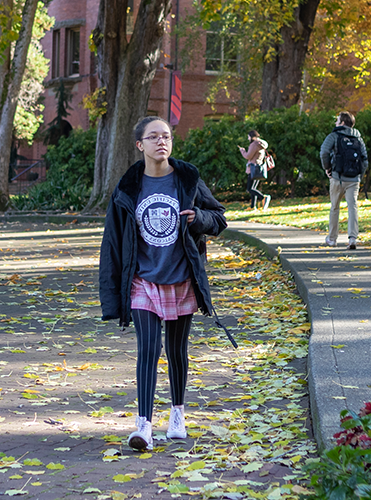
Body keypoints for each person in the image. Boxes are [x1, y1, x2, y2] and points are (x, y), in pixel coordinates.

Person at [99, 116, 226, 451]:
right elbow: (112, 243)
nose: (161, 142)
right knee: (148, 349)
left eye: (166, 136)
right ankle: (143, 426)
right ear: (140, 145)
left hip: (181, 278)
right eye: (153, 137)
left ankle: (177, 414)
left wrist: (199, 219)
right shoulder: (127, 187)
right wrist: (112, 299)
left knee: (176, 351)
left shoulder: (187, 180)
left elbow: (219, 219)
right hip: (143, 281)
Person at [318, 111, 368, 249]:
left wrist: (327, 168)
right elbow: (364, 159)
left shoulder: (334, 136)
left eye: (337, 120)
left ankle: (332, 239)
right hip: (354, 179)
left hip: (337, 177)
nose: (335, 123)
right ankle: (352, 238)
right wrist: (359, 175)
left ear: (342, 123)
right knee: (352, 207)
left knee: (335, 207)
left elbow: (323, 152)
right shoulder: (358, 138)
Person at [238, 130, 270, 209]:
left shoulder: (254, 145)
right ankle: (253, 206)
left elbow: (248, 156)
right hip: (258, 168)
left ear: (252, 137)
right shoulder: (261, 144)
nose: (248, 138)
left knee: (249, 189)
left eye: (248, 137)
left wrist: (242, 151)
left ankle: (263, 197)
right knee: (253, 188)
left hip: (252, 168)